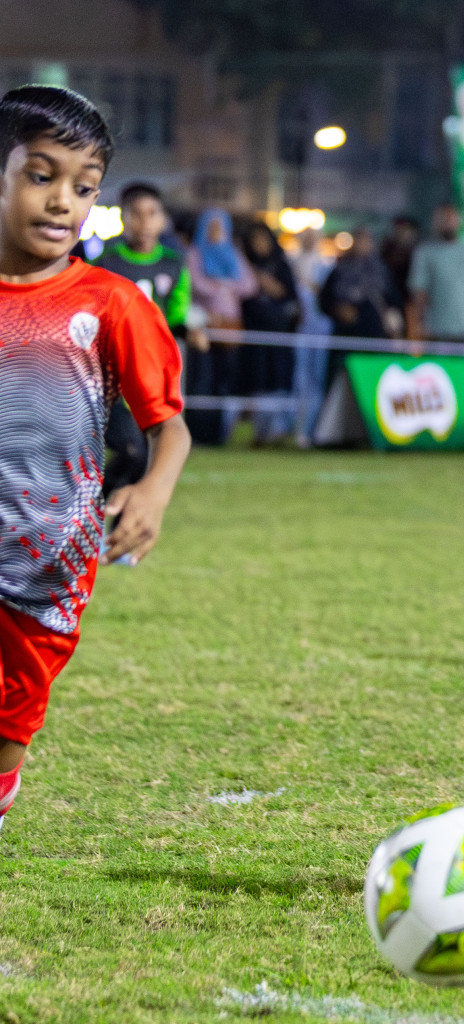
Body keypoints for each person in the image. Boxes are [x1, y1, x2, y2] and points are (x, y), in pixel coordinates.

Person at [0, 86, 190, 833]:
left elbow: (170, 427)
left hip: (49, 552)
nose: (62, 202)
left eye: (84, 187)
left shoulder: (110, 303)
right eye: (40, 175)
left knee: (12, 720)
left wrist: (153, 492)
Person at [92, 182, 205, 487]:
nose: (144, 222)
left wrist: (190, 331)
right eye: (136, 214)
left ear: (163, 219)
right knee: (131, 450)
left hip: (152, 374)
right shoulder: (106, 262)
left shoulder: (173, 263)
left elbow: (176, 313)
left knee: (146, 460)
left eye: (152, 213)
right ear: (123, 218)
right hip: (112, 376)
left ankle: (115, 516)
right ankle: (97, 505)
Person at [188, 207, 257, 444]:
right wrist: (224, 287)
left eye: (220, 227)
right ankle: (196, 432)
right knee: (202, 379)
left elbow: (249, 285)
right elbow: (195, 283)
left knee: (223, 381)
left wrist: (221, 285)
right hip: (203, 326)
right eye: (212, 226)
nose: (216, 232)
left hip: (229, 328)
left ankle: (218, 434)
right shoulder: (195, 253)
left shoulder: (233, 254)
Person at [238, 221, 299, 445]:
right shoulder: (243, 264)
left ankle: (277, 431)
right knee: (255, 380)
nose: (259, 244)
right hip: (251, 333)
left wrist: (264, 281)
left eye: (263, 239)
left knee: (277, 379)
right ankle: (256, 433)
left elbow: (289, 295)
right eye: (255, 240)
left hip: (278, 334)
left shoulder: (280, 265)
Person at [320, 226, 398, 386]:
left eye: (366, 240)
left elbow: (393, 300)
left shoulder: (381, 270)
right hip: (346, 336)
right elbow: (325, 300)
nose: (362, 244)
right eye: (359, 240)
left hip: (374, 336)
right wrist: (338, 310)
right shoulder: (340, 269)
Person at [406, 204, 464, 346]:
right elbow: (418, 292)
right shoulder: (424, 252)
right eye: (443, 219)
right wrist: (420, 324)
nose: (447, 223)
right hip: (434, 332)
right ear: (434, 223)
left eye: (451, 219)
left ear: (459, 222)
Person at [289, 227, 332, 448]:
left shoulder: (326, 268)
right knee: (298, 379)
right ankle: (292, 429)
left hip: (320, 331)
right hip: (299, 331)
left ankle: (311, 430)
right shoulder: (291, 266)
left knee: (316, 381)